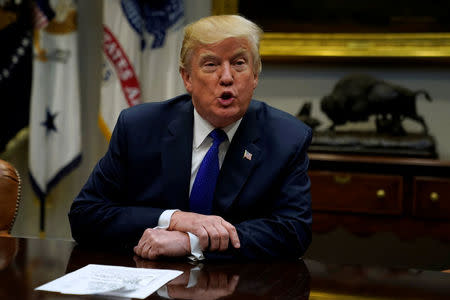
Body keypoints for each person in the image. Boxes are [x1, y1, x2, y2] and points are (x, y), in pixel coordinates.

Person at [69, 15, 312, 260]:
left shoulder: (286, 138)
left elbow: (293, 232)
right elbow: (86, 215)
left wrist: (192, 242)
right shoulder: (139, 128)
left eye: (239, 63)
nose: (227, 77)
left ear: (255, 75)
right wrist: (174, 219)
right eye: (211, 64)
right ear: (187, 78)